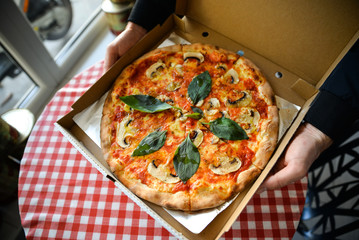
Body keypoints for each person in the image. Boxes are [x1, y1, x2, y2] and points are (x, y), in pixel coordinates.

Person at [104, 0, 359, 193]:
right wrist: (141, 23)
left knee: (313, 185)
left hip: (334, 85)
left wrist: (319, 128)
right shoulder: (128, 139)